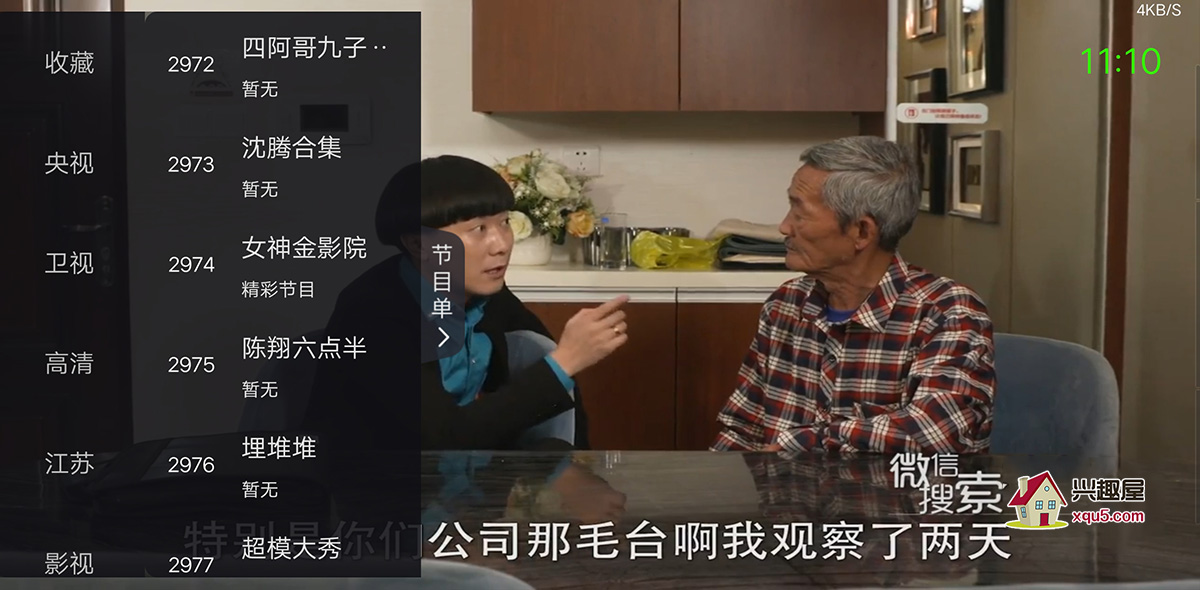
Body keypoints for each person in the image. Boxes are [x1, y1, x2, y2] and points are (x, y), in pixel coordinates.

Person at [300, 155, 630, 452]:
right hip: (375, 481)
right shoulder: (374, 311)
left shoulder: (486, 293)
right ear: (419, 244)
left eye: (505, 222)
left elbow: (548, 380)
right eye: (478, 229)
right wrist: (567, 360)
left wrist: (573, 469)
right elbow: (440, 438)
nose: (501, 244)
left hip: (458, 478)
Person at [710, 136, 995, 455]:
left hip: (892, 491)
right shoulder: (785, 305)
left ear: (861, 232)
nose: (784, 227)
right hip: (780, 489)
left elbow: (936, 433)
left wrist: (805, 441)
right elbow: (743, 429)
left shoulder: (945, 312)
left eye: (799, 213)